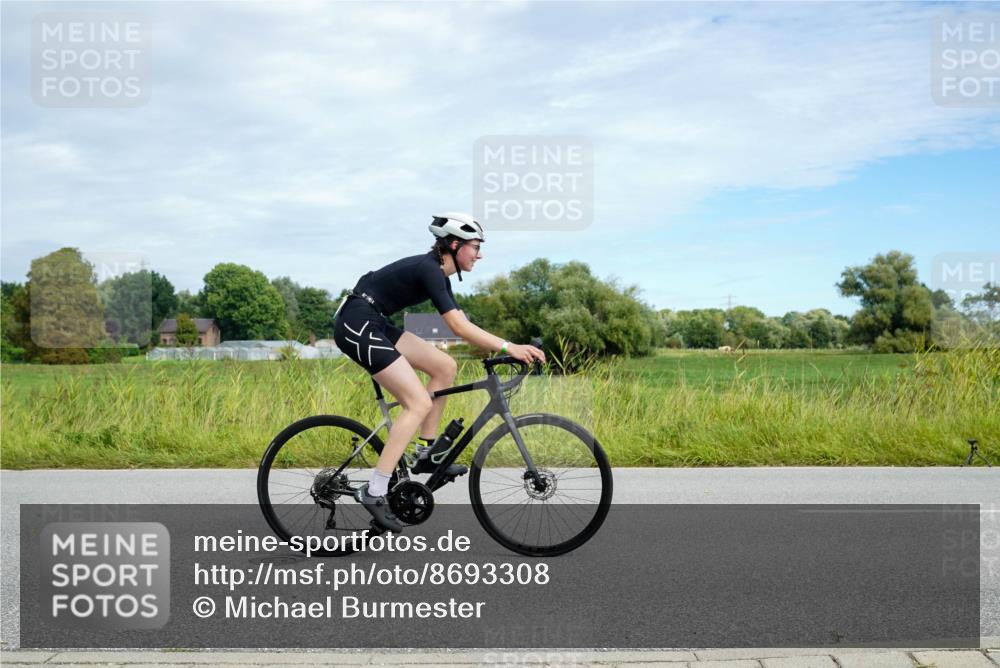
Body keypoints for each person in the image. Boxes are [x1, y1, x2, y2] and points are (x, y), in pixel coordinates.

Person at [333, 213, 546, 532]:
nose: (480, 254)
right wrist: (509, 347)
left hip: (375, 322)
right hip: (356, 323)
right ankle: (375, 490)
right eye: (475, 246)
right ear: (455, 245)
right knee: (417, 403)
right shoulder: (429, 269)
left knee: (445, 366)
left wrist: (501, 346)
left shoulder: (438, 276)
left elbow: (464, 324)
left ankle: (427, 452)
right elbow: (458, 326)